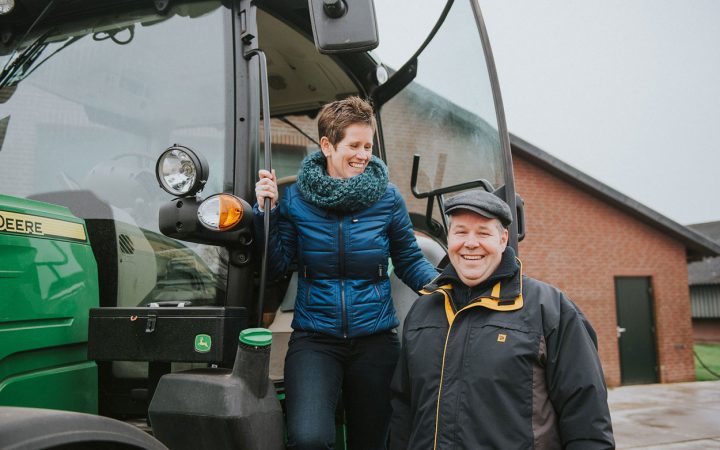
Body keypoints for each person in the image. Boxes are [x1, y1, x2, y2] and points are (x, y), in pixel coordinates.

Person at [254, 96, 438, 450]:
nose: (363, 154)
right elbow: (276, 268)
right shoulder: (294, 200)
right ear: (327, 145)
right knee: (309, 439)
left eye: (367, 146)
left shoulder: (387, 198)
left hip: (376, 341)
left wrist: (450, 288)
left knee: (372, 442)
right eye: (354, 145)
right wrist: (269, 214)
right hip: (314, 339)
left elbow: (410, 261)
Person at [390, 190, 615, 450]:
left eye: (483, 233)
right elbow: (403, 410)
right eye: (461, 232)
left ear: (503, 239)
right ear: (449, 238)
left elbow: (587, 417)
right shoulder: (422, 311)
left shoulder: (550, 310)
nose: (470, 243)